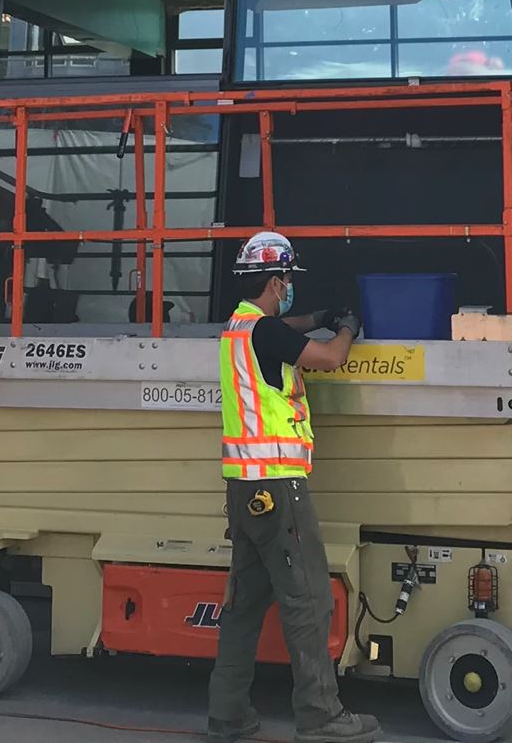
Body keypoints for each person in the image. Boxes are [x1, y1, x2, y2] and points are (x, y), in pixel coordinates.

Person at [206, 231, 376, 743]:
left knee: (243, 605)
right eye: (287, 280)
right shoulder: (265, 333)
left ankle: (227, 714)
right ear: (276, 282)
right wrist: (346, 328)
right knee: (308, 599)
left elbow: (284, 330)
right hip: (278, 487)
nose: (289, 287)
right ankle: (320, 715)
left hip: (244, 489)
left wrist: (318, 316)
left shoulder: (239, 327)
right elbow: (329, 358)